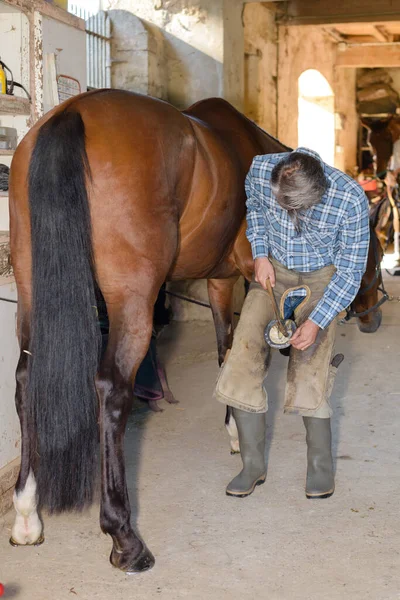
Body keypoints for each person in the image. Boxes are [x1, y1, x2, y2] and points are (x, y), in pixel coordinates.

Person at [215, 147, 370, 499]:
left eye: (295, 209)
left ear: (318, 194)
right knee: (242, 357)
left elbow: (349, 272)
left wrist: (317, 320)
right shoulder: (260, 169)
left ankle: (319, 469)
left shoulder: (350, 200)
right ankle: (252, 465)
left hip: (322, 277)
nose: (286, 214)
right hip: (275, 271)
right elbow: (254, 207)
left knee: (309, 366)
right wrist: (260, 254)